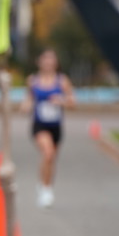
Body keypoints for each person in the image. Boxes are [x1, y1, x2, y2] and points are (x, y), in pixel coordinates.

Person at [19, 48, 75, 208]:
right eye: (46, 59)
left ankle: (44, 184)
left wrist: (61, 101)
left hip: (56, 126)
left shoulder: (62, 81)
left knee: (50, 159)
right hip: (39, 125)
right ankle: (46, 190)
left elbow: (73, 102)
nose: (48, 62)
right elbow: (28, 99)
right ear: (40, 62)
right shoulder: (33, 81)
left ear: (56, 63)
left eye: (51, 59)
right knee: (48, 153)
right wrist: (25, 106)